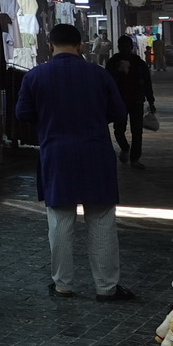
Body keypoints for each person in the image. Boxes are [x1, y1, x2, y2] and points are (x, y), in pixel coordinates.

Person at [15, 23, 136, 301]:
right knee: (101, 220)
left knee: (59, 221)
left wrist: (49, 118)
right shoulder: (99, 74)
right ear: (80, 46)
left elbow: (23, 114)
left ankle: (62, 285)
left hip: (56, 156)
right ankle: (106, 288)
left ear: (50, 46)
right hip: (96, 153)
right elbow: (118, 112)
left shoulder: (35, 76)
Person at [106, 34, 155, 168]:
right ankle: (125, 147)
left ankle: (135, 158)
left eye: (127, 47)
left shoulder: (139, 63)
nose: (125, 49)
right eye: (123, 47)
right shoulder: (112, 63)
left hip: (136, 101)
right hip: (119, 101)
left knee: (137, 131)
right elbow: (107, 82)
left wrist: (151, 101)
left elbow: (147, 83)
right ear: (119, 47)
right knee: (118, 129)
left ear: (131, 47)